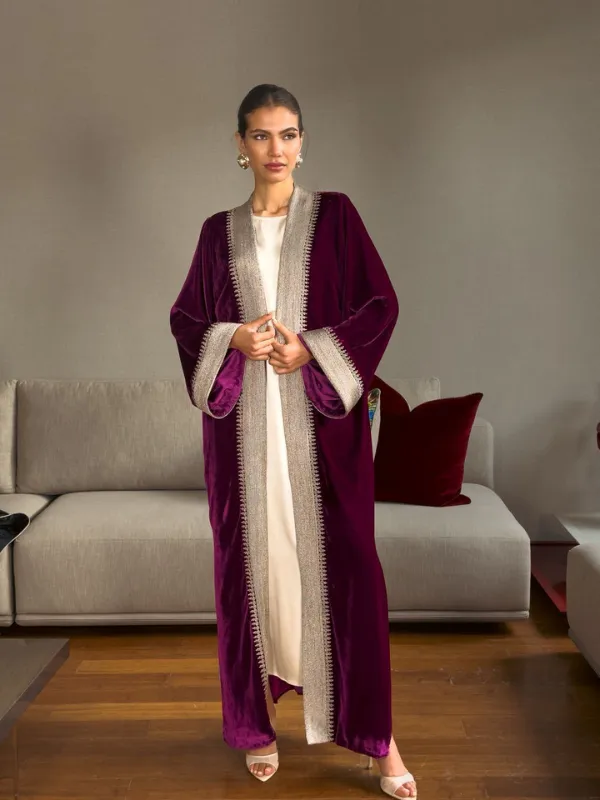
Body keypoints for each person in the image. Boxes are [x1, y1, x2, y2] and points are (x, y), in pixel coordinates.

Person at [169, 84, 417, 798]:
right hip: (246, 442)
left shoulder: (336, 217)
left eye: (287, 134)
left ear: (303, 142)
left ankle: (378, 738)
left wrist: (312, 349)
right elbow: (187, 320)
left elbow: (380, 306)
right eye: (260, 135)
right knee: (255, 574)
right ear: (240, 145)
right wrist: (233, 338)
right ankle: (257, 726)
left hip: (322, 436)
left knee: (352, 574)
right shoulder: (217, 234)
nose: (275, 149)